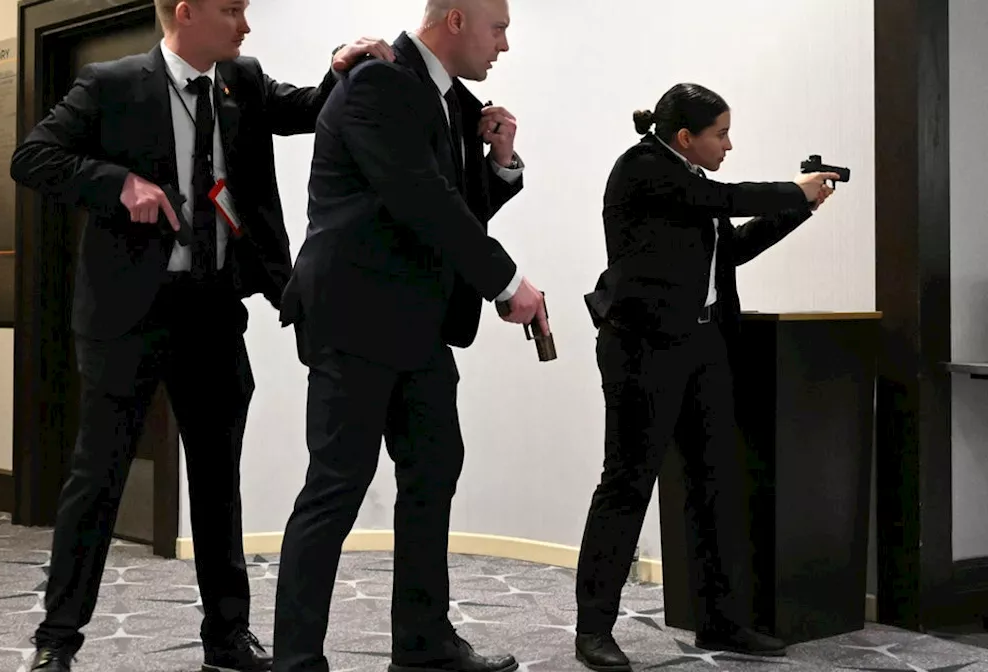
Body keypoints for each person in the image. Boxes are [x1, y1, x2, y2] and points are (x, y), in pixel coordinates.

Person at [7, 0, 391, 669]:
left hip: (211, 310)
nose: (245, 24)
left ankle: (227, 637)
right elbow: (32, 157)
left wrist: (337, 69)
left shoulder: (242, 80)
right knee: (96, 481)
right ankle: (56, 640)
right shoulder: (112, 84)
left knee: (217, 481)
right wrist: (117, 183)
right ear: (186, 13)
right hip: (126, 317)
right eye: (231, 10)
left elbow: (307, 110)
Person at [272, 1, 546, 671]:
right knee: (336, 488)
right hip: (354, 317)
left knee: (433, 472)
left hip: (418, 324)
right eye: (498, 28)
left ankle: (423, 645)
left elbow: (453, 209)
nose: (504, 46)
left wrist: (500, 164)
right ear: (455, 21)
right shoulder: (378, 81)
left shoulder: (452, 103)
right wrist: (506, 281)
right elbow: (419, 196)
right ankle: (297, 662)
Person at [573, 83, 838, 672]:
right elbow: (727, 197)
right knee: (627, 485)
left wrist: (800, 208)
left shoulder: (692, 181)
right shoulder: (644, 168)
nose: (729, 144)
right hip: (642, 348)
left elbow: (731, 249)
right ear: (684, 137)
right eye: (720, 134)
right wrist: (790, 190)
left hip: (702, 345)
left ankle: (721, 620)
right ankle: (593, 629)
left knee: (715, 483)